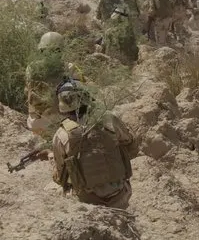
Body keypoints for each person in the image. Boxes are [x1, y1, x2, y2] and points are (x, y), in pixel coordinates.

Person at [51, 78, 138, 209]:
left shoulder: (60, 135)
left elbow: (60, 177)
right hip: (120, 194)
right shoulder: (108, 118)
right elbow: (131, 143)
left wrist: (51, 158)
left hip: (89, 202)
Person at [25, 32, 80, 139]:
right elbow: (81, 95)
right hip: (58, 124)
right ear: (60, 50)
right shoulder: (69, 68)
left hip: (34, 124)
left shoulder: (31, 68)